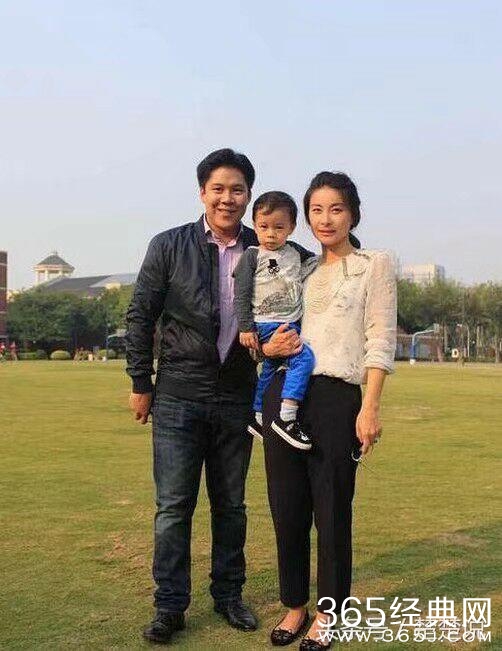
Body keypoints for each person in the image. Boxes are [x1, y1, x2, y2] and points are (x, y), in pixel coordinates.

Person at [126, 148, 260, 645]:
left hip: (237, 396)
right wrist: (141, 383)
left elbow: (311, 275)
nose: (228, 198)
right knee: (173, 507)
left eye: (237, 189)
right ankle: (169, 606)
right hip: (178, 396)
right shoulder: (169, 245)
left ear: (248, 195)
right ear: (202, 192)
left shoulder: (264, 249)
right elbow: (140, 315)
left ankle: (229, 596)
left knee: (231, 506)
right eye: (218, 188)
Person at [261, 172, 397, 650]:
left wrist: (370, 407)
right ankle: (294, 605)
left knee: (333, 509)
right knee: (286, 508)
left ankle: (328, 613)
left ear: (353, 213)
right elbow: (270, 323)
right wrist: (268, 349)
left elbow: (380, 338)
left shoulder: (373, 265)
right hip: (285, 394)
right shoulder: (300, 269)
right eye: (316, 210)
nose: (325, 219)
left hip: (339, 398)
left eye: (335, 209)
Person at [233, 191, 317, 450]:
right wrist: (246, 327)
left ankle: (258, 417)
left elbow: (322, 258)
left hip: (290, 320)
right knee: (303, 358)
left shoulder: (295, 252)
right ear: (254, 225)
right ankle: (287, 417)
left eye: (279, 228)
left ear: (291, 227)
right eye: (264, 227)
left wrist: (350, 242)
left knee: (270, 369)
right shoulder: (252, 255)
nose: (270, 234)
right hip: (266, 322)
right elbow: (241, 293)